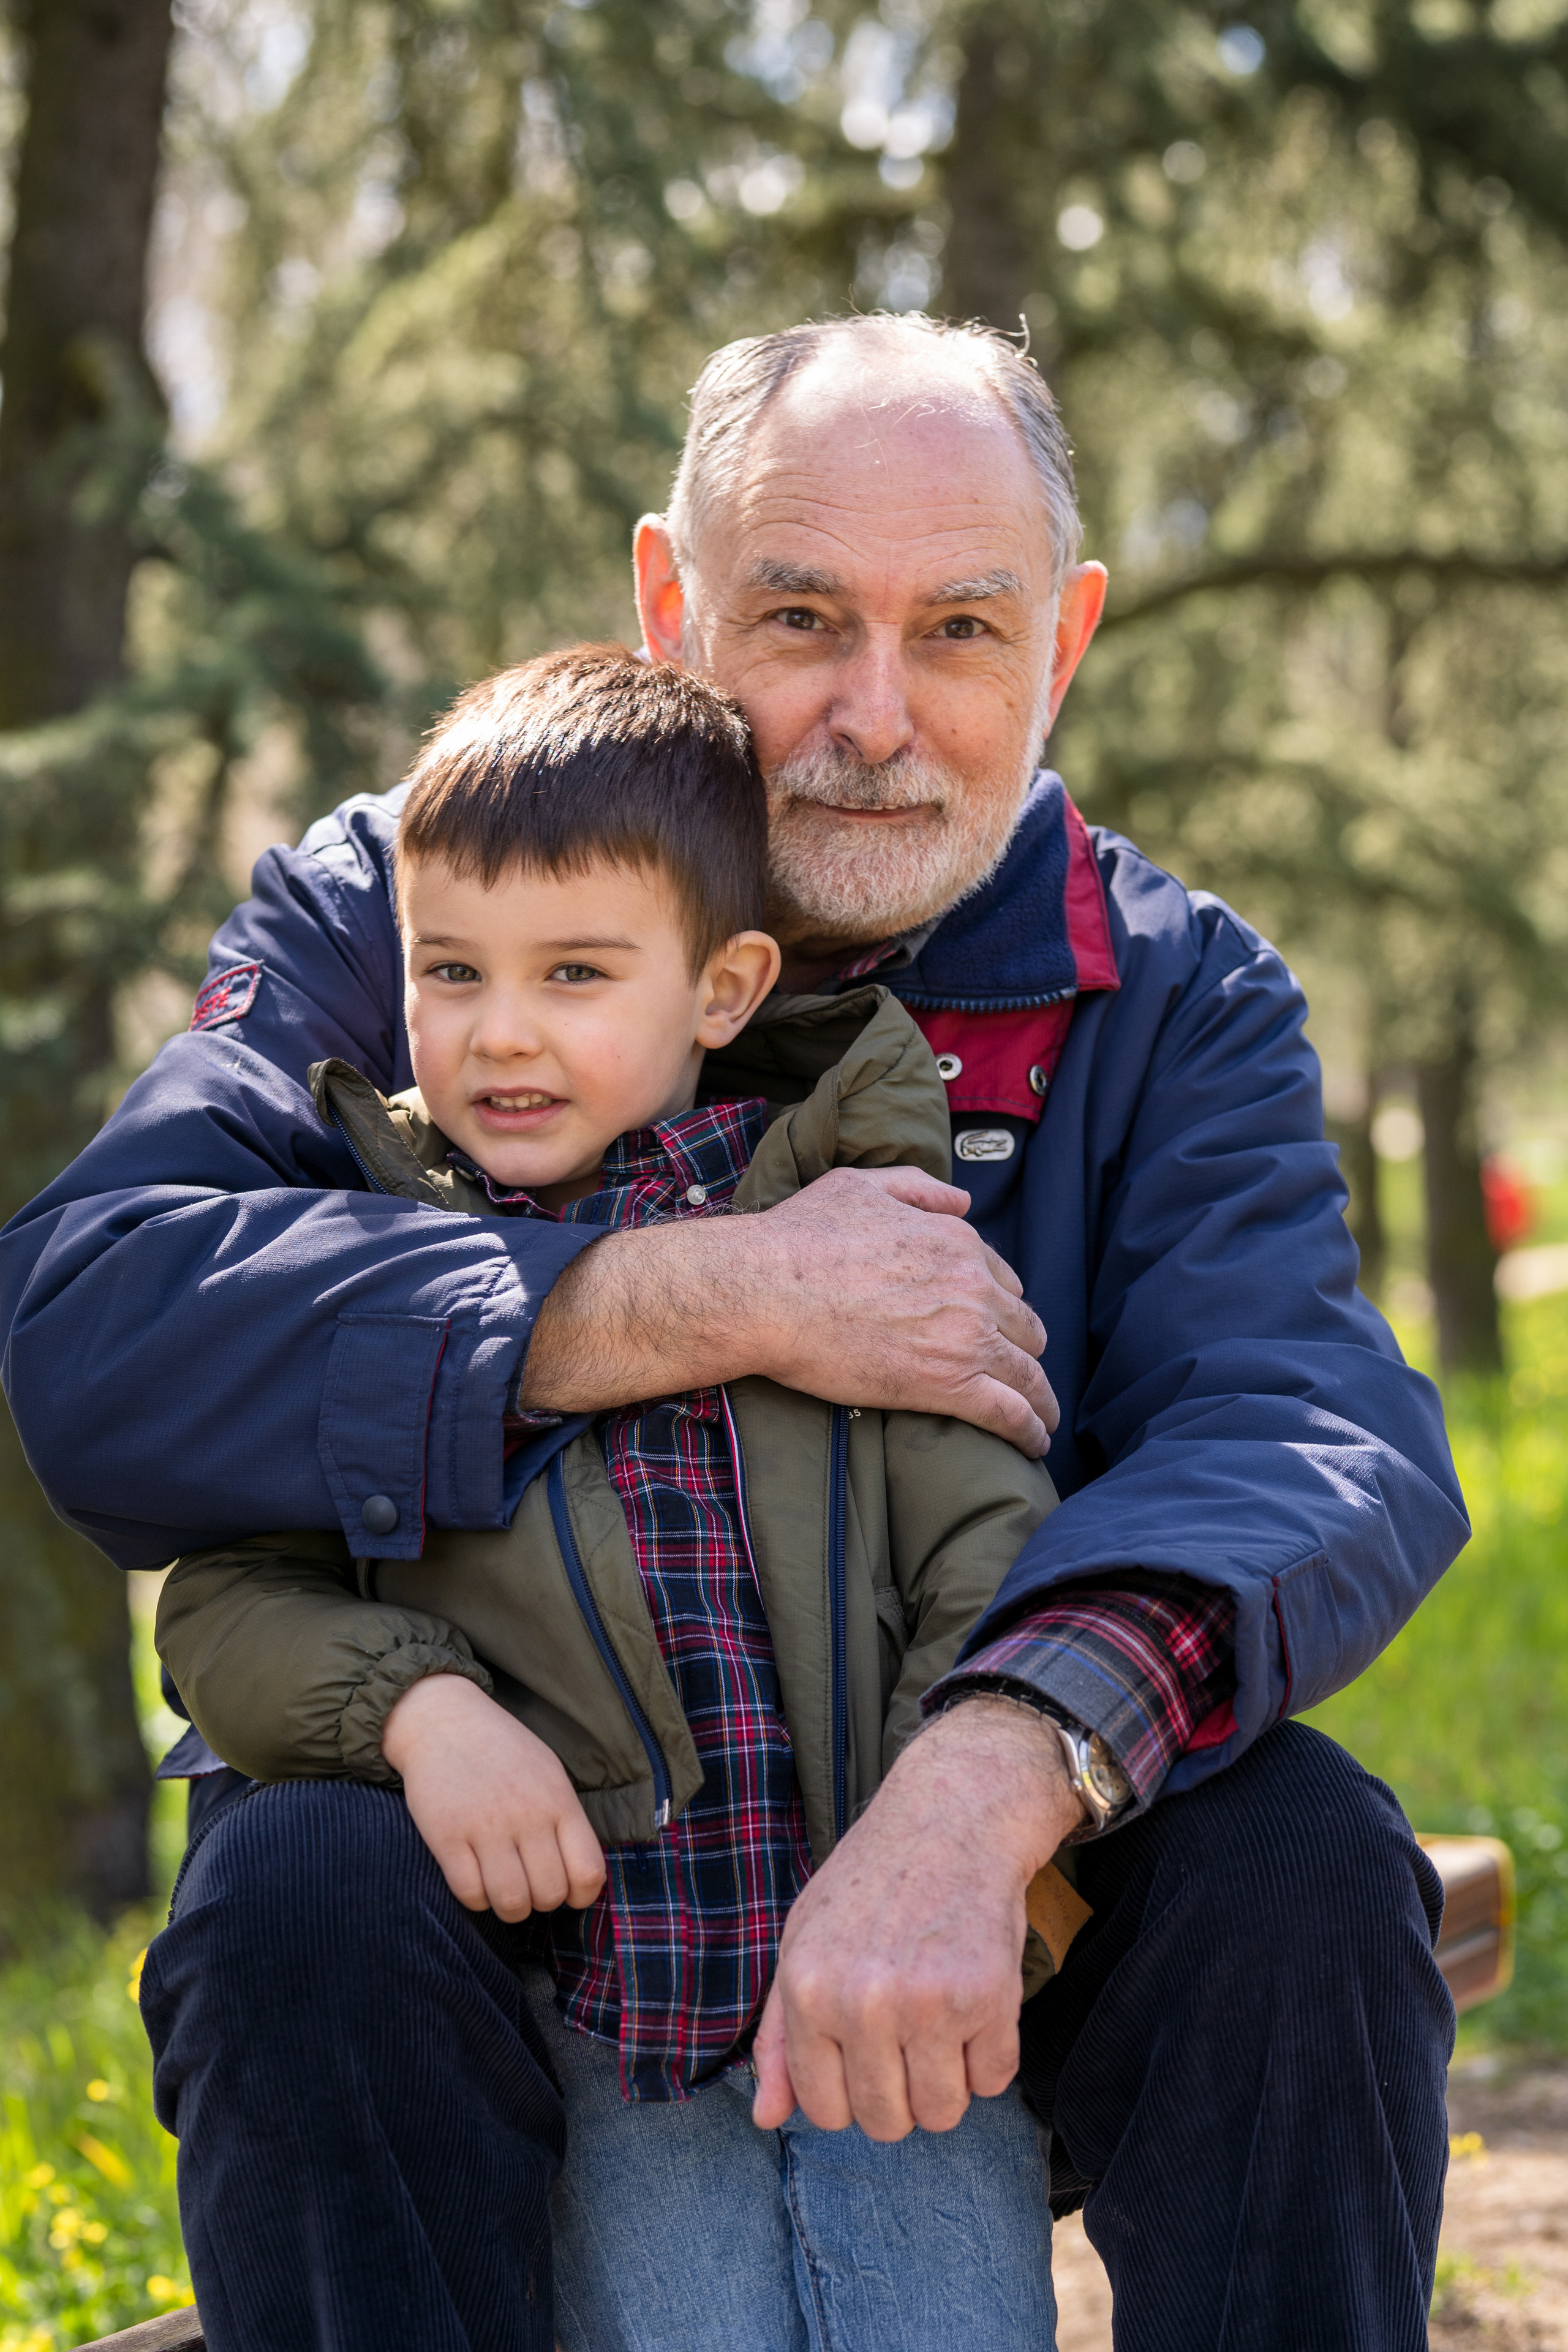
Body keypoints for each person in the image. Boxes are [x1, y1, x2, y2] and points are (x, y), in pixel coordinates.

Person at [1, 314, 1468, 2352]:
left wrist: (992, 1780)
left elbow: (1314, 1432)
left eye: (960, 629)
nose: (874, 716)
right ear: (670, 602)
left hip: (989, 1864)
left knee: (1305, 1873)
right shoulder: (421, 900)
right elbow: (102, 1327)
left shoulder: (1168, 987)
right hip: (504, 1838)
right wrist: (678, 1298)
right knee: (296, 1905)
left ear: (1065, 642)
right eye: (800, 617)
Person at [154, 638, 1087, 2346]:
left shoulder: (854, 1217)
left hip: (885, 1999)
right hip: (611, 2019)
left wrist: (963, 1855)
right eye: (451, 972)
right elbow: (226, 1600)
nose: (501, 1035)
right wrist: (418, 1710)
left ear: (721, 989)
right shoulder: (376, 1256)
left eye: (576, 973)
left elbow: (988, 1535)